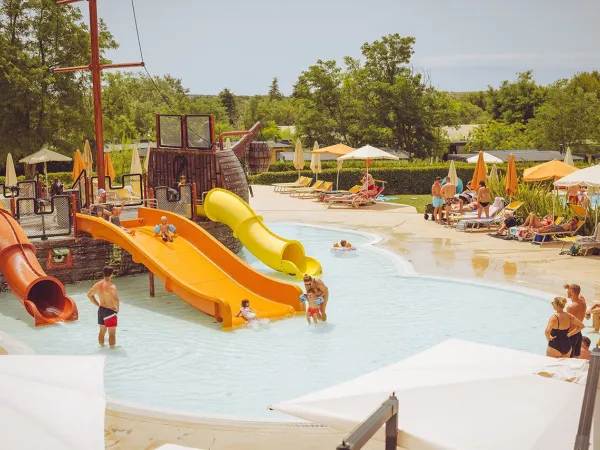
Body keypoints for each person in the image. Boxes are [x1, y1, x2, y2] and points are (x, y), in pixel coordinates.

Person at [87, 267, 120, 347]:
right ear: (112, 274)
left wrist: (98, 304)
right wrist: (117, 309)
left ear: (103, 273)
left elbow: (89, 295)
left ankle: (101, 347)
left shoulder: (98, 284)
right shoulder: (111, 286)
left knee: (102, 331)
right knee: (112, 333)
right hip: (110, 312)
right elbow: (115, 299)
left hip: (101, 310)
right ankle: (112, 350)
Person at [566, 283, 587, 358]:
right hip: (578, 334)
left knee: (566, 359)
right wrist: (569, 287)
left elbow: (566, 323)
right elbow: (578, 293)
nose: (567, 292)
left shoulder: (570, 307)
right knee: (575, 360)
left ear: (571, 292)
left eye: (568, 291)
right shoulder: (583, 302)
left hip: (571, 335)